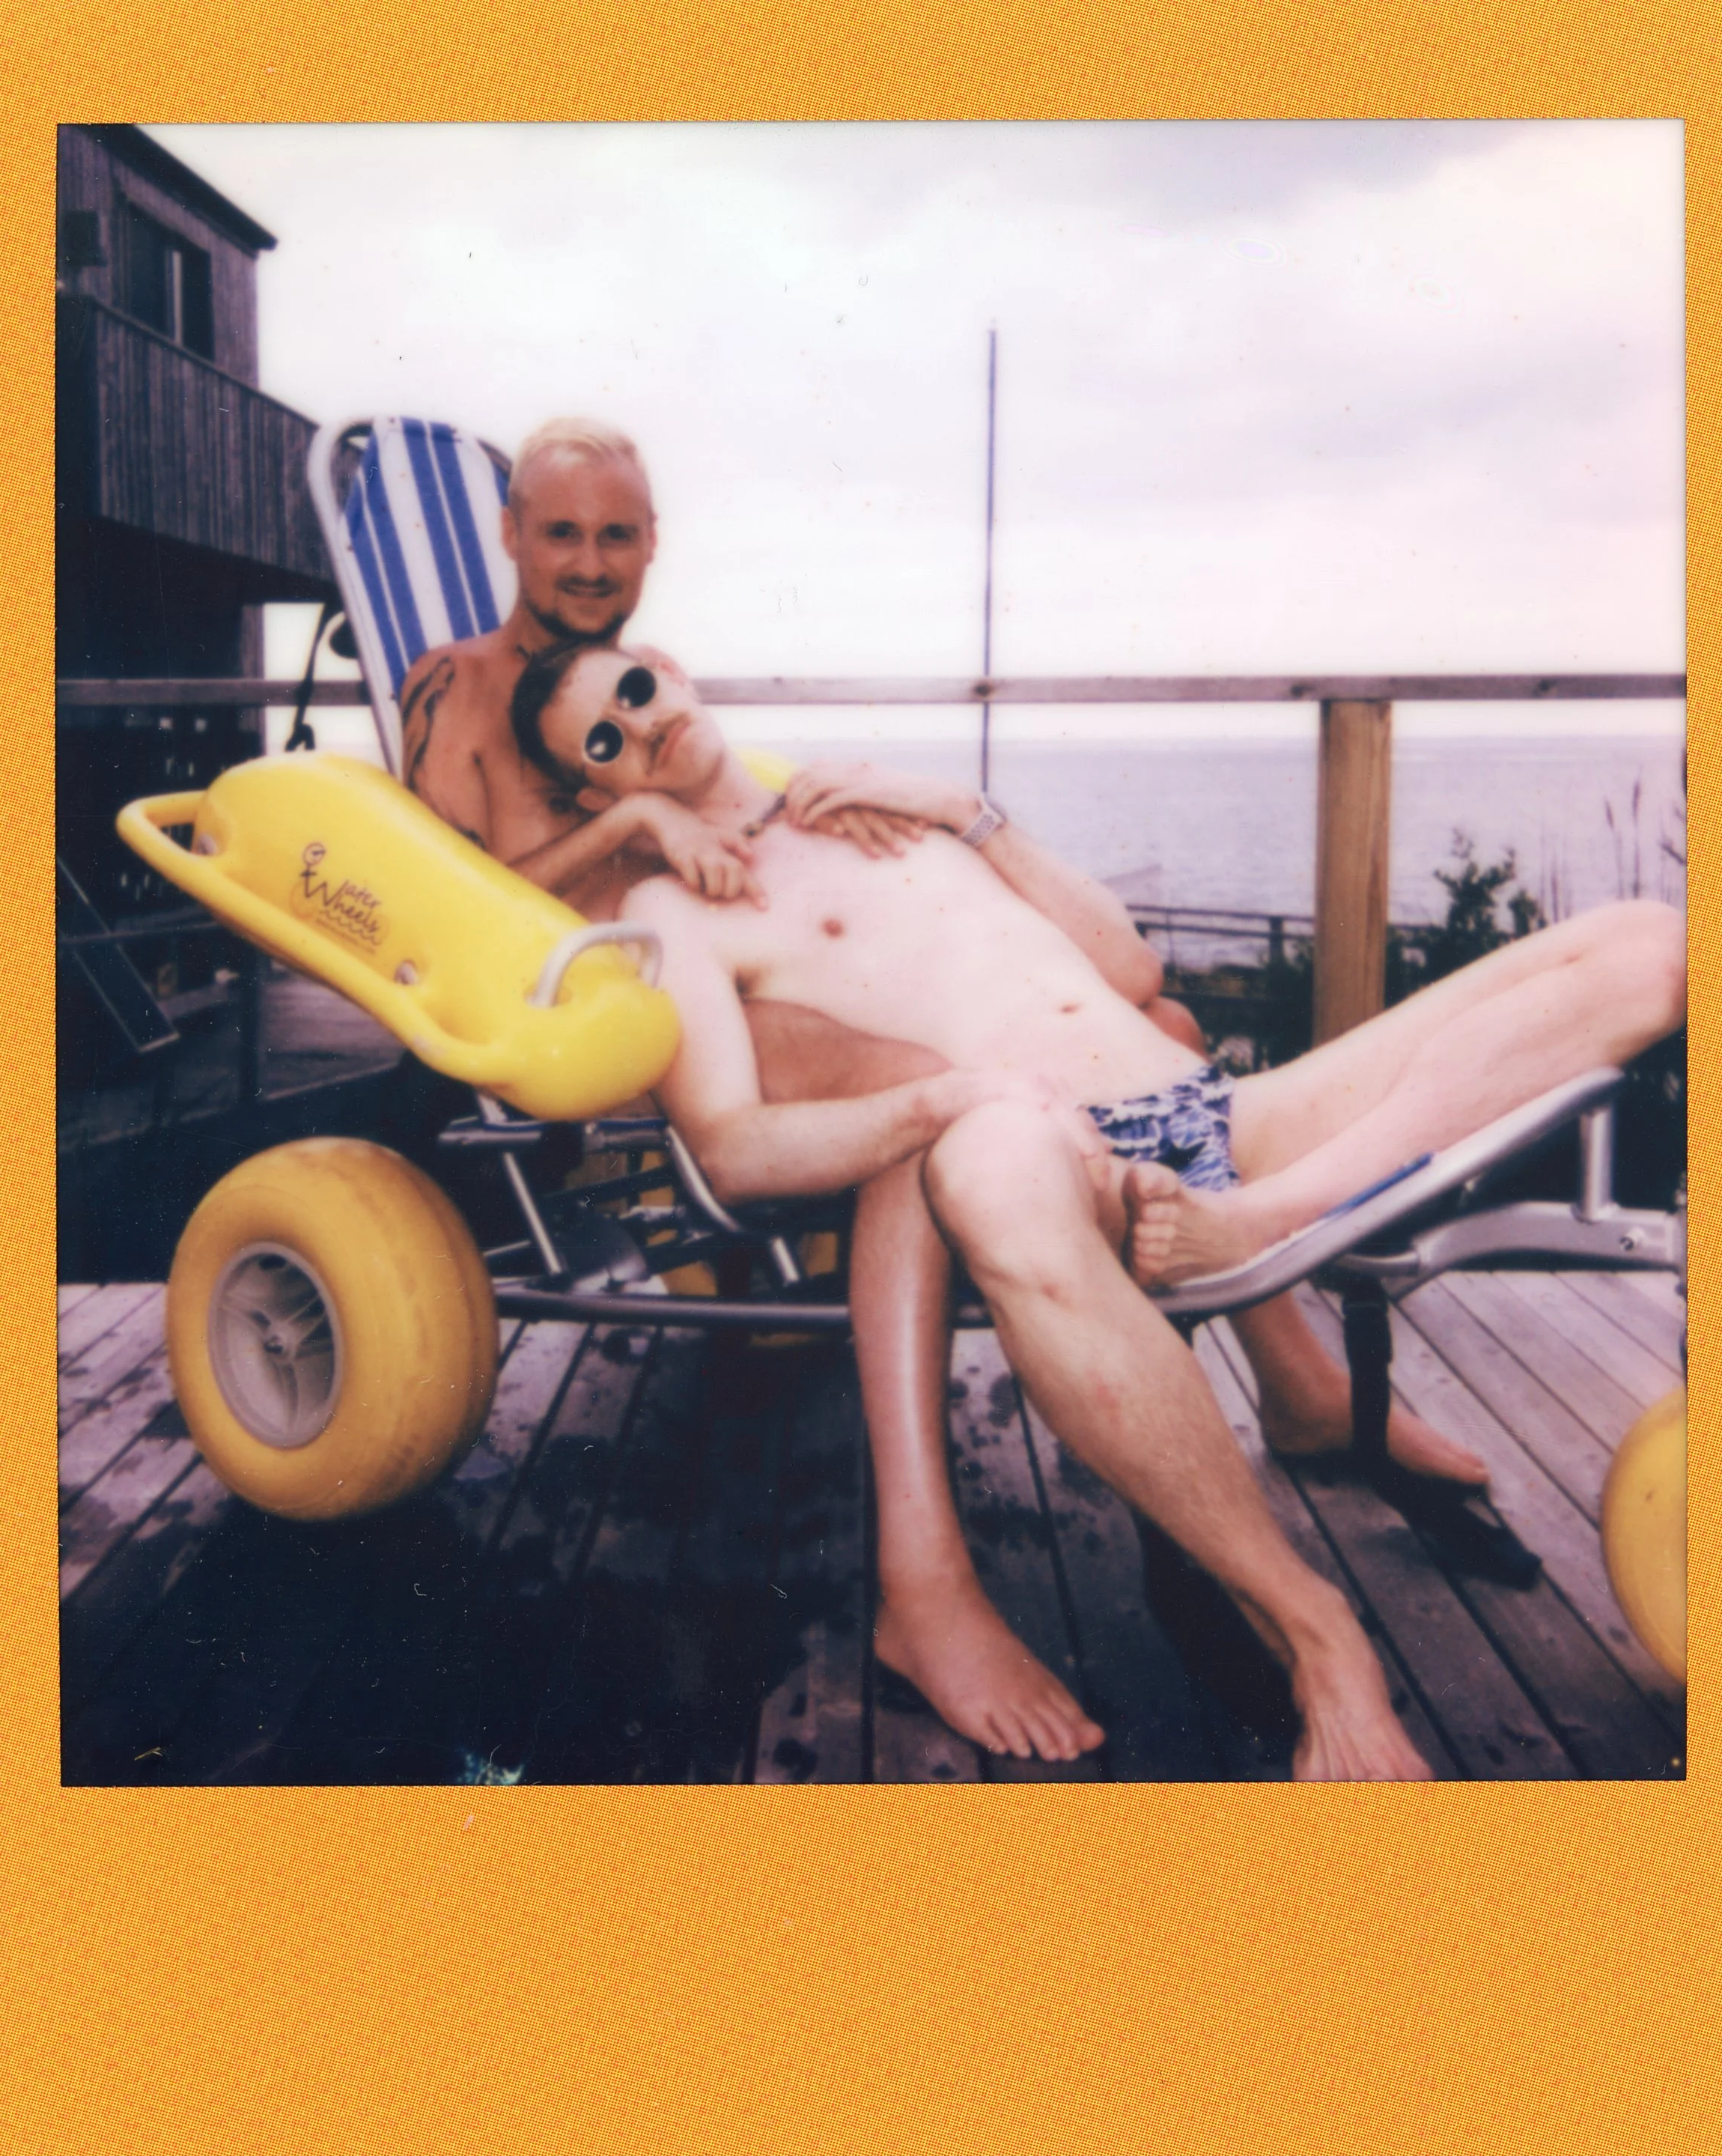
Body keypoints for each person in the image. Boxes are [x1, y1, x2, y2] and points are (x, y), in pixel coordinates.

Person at [399, 416, 1483, 1761]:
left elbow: (730, 796)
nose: (587, 560)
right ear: (511, 534)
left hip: (732, 950)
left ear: (651, 544)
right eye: (559, 531)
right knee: (936, 1094)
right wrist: (629, 826)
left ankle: (1298, 1379)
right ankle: (930, 1581)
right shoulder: (457, 688)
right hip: (614, 1007)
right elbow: (449, 914)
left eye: (615, 533)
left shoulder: (641, 677)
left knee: (1154, 1011)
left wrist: (849, 828)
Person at [516, 641, 1686, 1782]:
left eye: (635, 689)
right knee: (984, 1170)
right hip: (1062, 1155)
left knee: (1648, 947)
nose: (644, 724)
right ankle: (1315, 1628)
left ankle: (1274, 1213)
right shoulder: (676, 911)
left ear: (668, 665)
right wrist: (951, 1094)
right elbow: (730, 1149)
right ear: (594, 788)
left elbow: (1127, 970)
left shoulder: (875, 803)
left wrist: (964, 811)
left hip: (1220, 1119)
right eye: (606, 743)